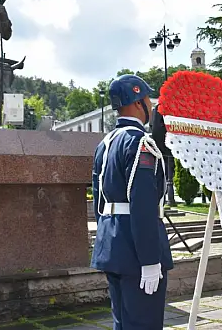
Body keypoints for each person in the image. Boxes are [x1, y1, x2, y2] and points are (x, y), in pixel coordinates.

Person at [90, 74, 173, 330]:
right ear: (138, 102)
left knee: (123, 323)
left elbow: (98, 201)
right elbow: (143, 205)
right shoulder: (140, 143)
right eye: (147, 98)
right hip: (137, 252)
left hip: (112, 245)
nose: (150, 103)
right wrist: (149, 260)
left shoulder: (105, 143)